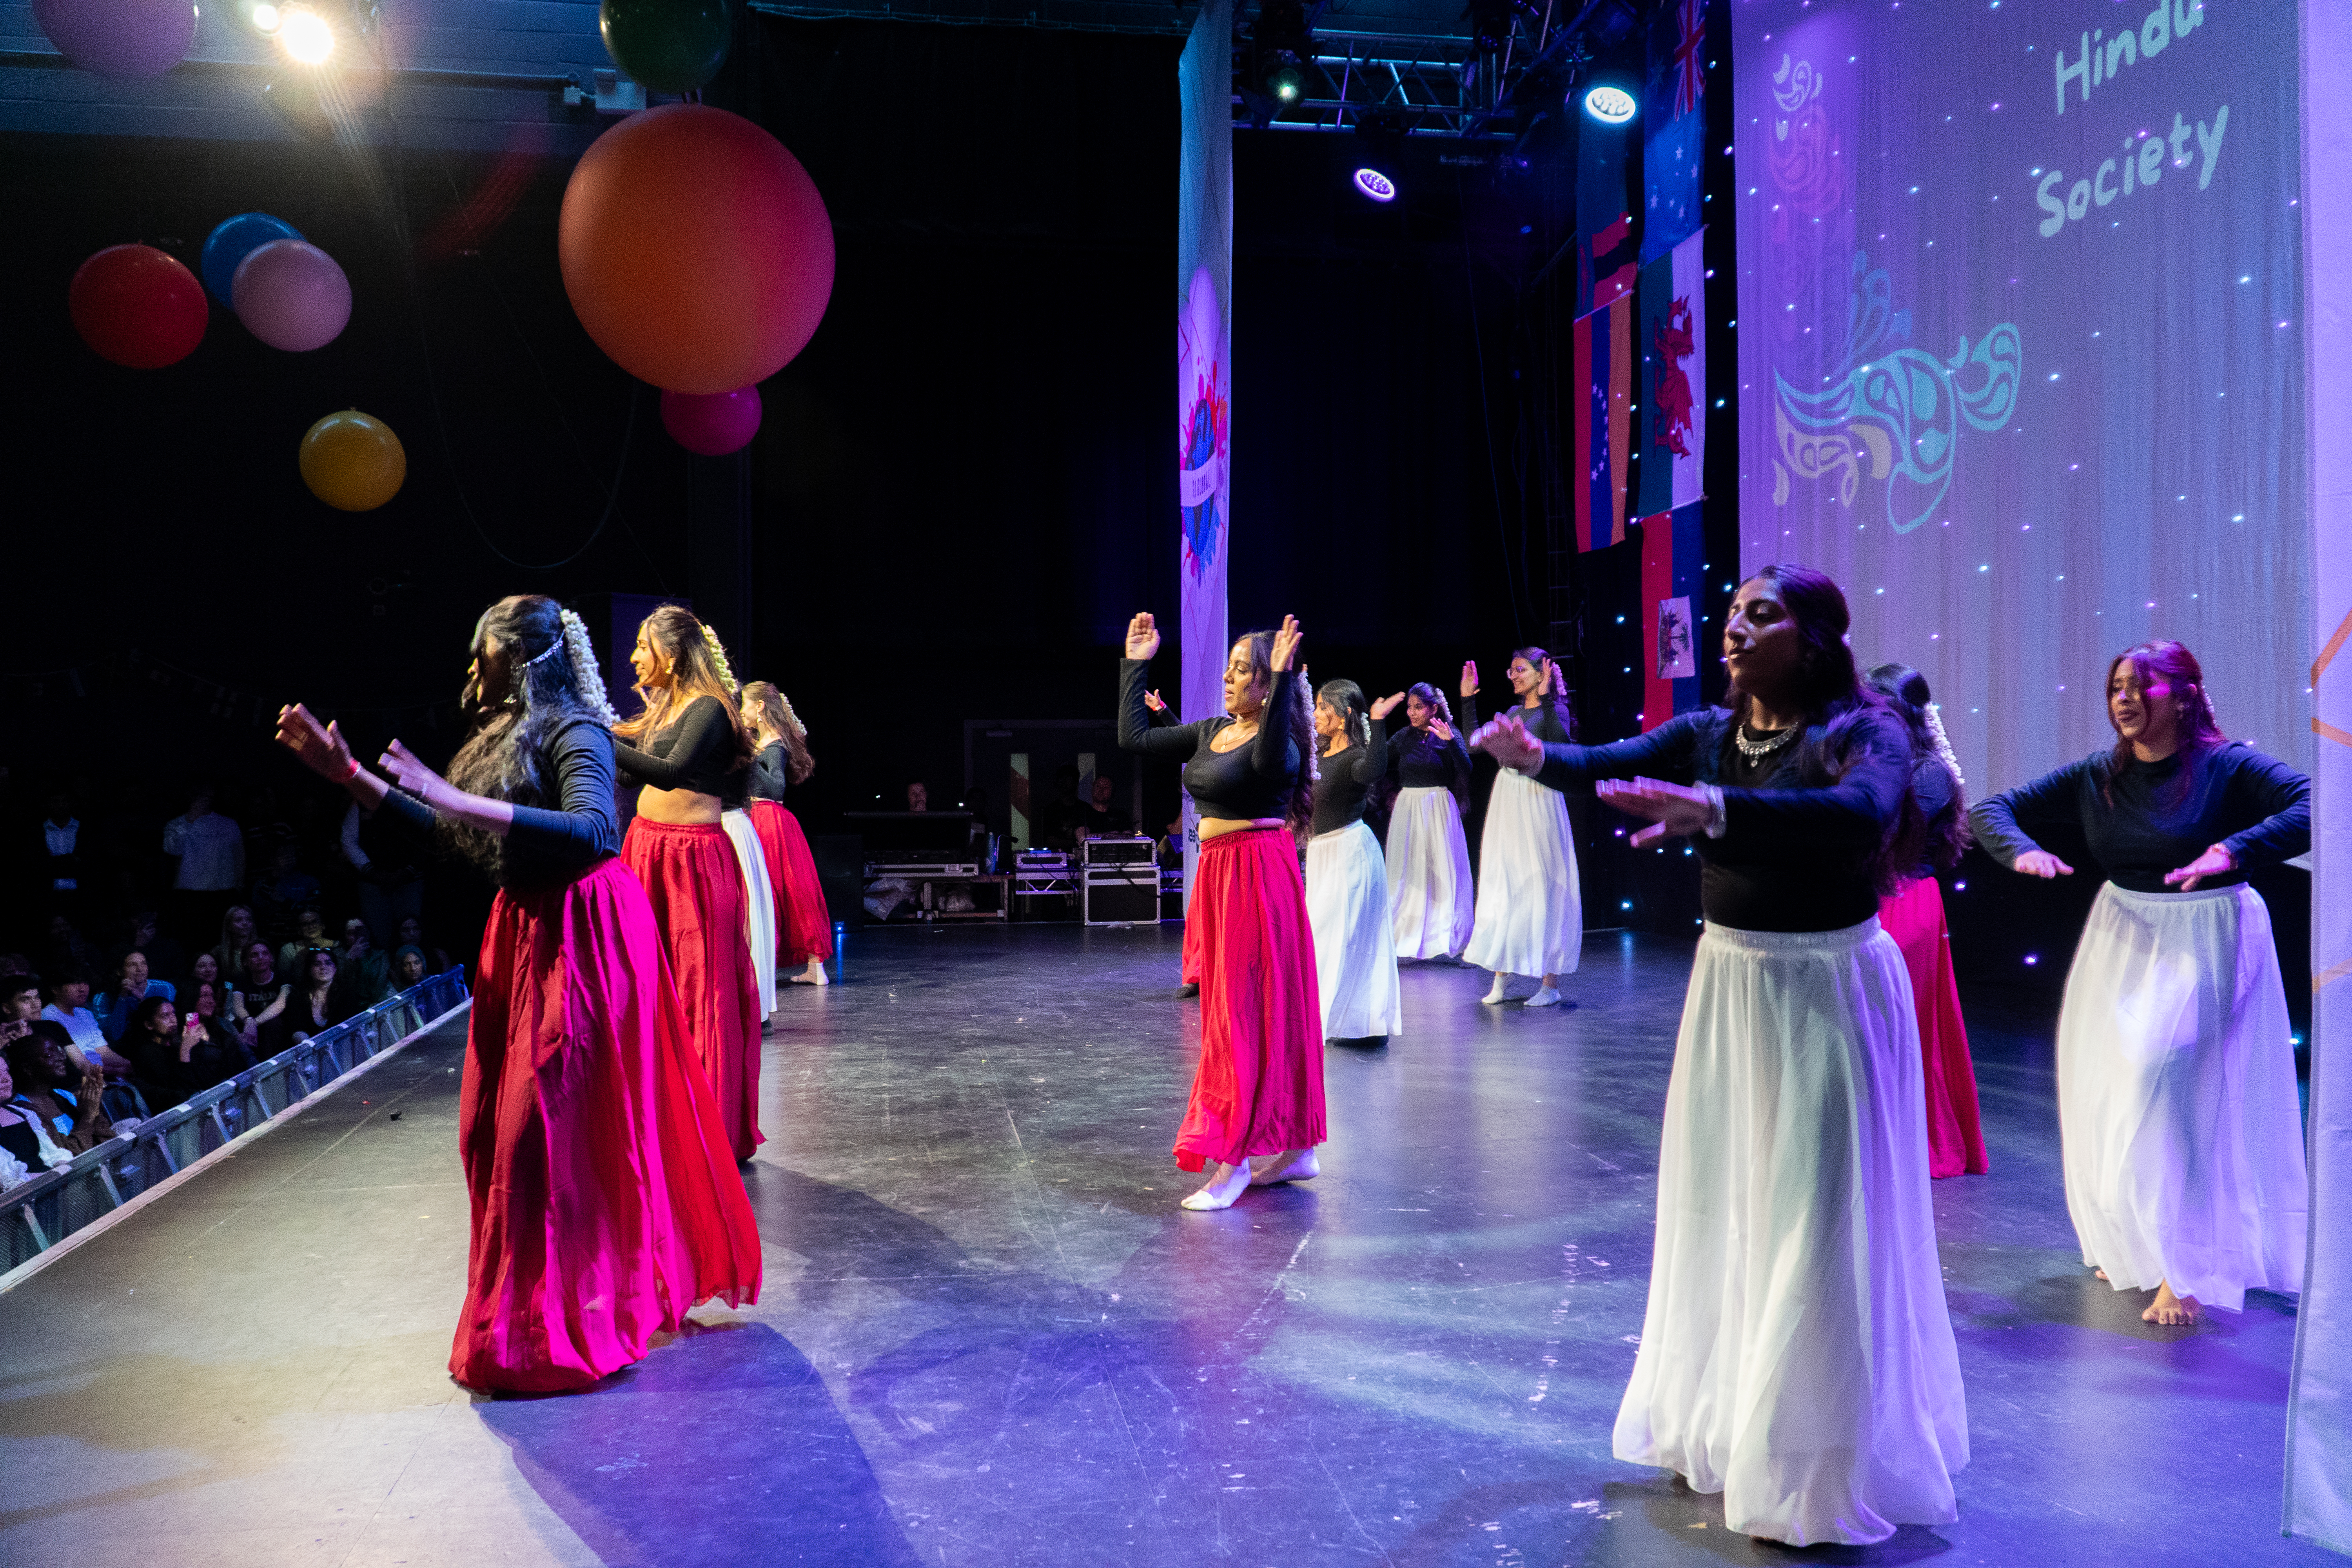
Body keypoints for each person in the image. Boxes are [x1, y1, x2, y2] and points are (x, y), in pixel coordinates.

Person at [1473, 564, 1964, 1547]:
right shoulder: (1708, 732)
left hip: (1826, 986)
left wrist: (1723, 813)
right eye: (1732, 611)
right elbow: (1603, 758)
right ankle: (1732, 1420)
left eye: (1761, 614)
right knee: (1730, 1203)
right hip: (1731, 988)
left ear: (1817, 638)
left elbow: (1866, 812)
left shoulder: (1862, 733)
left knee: (1813, 1219)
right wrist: (1533, 754)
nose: (1733, 627)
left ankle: (1813, 1459)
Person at [275, 592, 760, 1392]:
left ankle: (571, 1323)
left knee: (543, 1133)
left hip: (585, 936)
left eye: (486, 651)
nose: (474, 668)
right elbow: (459, 840)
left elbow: (597, 832)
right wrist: (353, 776)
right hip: (523, 933)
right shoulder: (505, 737)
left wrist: (459, 798)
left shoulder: (575, 730)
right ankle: (524, 1317)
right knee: (486, 1135)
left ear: (527, 655)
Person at [1969, 639, 2308, 1327]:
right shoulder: (2101, 774)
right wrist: (2023, 851)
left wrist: (2233, 848)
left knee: (2167, 1089)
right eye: (2116, 687)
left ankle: (2181, 1271)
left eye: (2141, 686)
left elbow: (2313, 803)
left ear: (2184, 695)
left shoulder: (2228, 766)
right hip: (2122, 934)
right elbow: (1990, 811)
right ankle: (2131, 1240)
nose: (2123, 698)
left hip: (2207, 932)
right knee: (2112, 1091)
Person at [1118, 611, 1323, 1210]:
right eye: (1230, 669)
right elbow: (1136, 740)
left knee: (1245, 1017)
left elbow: (1264, 767)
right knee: (1239, 1014)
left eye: (1243, 671)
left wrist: (1286, 679)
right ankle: (1297, 1148)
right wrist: (1136, 664)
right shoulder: (1212, 730)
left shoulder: (1279, 744)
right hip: (1219, 876)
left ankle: (1233, 1161)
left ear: (1268, 685)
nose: (1229, 679)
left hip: (1259, 877)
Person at [611, 605, 765, 1164]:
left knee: (702, 991)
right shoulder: (667, 707)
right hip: (646, 850)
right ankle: (656, 1121)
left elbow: (672, 771)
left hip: (692, 863)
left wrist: (598, 739)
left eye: (642, 646)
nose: (633, 658)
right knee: (650, 987)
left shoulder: (710, 709)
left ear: (671, 655)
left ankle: (706, 1132)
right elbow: (632, 774)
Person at [1864, 663, 1987, 1179]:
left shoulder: (1929, 772)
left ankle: (1911, 1140)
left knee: (1900, 1021)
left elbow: (1879, 831)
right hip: (1873, 897)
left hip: (1907, 899)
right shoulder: (1873, 758)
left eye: (1879, 703)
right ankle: (1874, 1135)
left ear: (1907, 711)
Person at [1461, 650, 1581, 1007]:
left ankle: (1550, 985)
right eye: (1511, 670)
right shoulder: (1514, 713)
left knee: (1542, 883)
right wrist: (1468, 699)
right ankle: (1501, 978)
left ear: (1542, 671)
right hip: (1508, 799)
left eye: (1521, 669)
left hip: (1540, 797)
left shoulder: (1554, 711)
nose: (1513, 675)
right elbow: (1475, 743)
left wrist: (1546, 698)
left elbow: (1563, 748)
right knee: (1505, 882)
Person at [1307, 681, 1404, 1044]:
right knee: (1323, 938)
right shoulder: (1319, 752)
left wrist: (1377, 722)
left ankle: (1339, 1022)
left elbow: (1376, 769)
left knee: (1340, 938)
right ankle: (1331, 1020)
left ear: (1344, 715)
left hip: (1349, 853)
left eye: (1322, 708)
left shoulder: (1356, 759)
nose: (1316, 715)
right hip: (1322, 855)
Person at [740, 680, 835, 986]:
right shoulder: (764, 742)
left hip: (769, 820)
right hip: (761, 818)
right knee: (778, 890)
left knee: (788, 891)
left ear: (760, 707)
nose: (742, 713)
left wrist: (750, 758)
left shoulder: (775, 744)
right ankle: (809, 967)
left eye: (745, 706)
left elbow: (777, 787)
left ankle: (813, 966)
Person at [1385, 680, 1475, 961]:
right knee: (1407, 871)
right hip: (1409, 806)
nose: (1412, 713)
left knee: (1444, 871)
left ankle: (1450, 940)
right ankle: (1404, 937)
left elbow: (1467, 769)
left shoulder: (1449, 734)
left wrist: (1451, 744)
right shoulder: (1403, 737)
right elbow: (1378, 762)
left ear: (1433, 708)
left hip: (1438, 807)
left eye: (1418, 707)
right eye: (1410, 707)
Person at [4, 1022, 112, 1153]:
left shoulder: (65, 1096)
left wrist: (94, 1110)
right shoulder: (23, 1112)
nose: (61, 1058)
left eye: (60, 1052)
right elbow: (68, 1156)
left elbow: (108, 1141)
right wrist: (88, 1117)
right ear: (28, 1068)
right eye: (50, 1055)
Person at [162, 782, 245, 950]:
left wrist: (240, 884)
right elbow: (171, 850)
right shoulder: (175, 825)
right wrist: (191, 821)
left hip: (223, 892)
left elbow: (239, 856)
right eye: (200, 797)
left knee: (221, 939)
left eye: (207, 797)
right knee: (190, 940)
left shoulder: (228, 824)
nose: (203, 802)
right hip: (189, 893)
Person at [342, 799, 425, 949]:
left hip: (409, 881)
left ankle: (414, 964)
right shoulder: (361, 802)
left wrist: (408, 871)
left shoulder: (414, 799)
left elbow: (428, 836)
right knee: (378, 936)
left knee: (411, 931)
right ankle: (383, 970)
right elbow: (348, 840)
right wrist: (373, 873)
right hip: (373, 884)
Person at [0, 1048, 73, 1191]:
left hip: (51, 1184)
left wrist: (63, 1167)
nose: (6, 1079)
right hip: (24, 1197)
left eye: (6, 1071)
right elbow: (9, 1178)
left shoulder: (24, 1114)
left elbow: (51, 1153)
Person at [40, 966, 129, 1078]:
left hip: (101, 1074)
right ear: (56, 989)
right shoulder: (48, 1017)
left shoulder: (85, 1013)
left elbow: (102, 1050)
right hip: (78, 1079)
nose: (83, 989)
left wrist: (127, 1064)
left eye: (85, 983)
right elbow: (75, 1063)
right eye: (75, 983)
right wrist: (115, 1071)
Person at [258, 946, 344, 1055]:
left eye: (328, 963)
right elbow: (297, 1029)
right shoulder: (298, 997)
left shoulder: (346, 994)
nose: (323, 967)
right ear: (309, 970)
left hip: (342, 1050)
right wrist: (309, 1048)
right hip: (307, 1054)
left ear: (335, 968)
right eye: (317, 964)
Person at [93, 950, 174, 1045]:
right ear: (119, 971)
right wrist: (122, 997)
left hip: (156, 1044)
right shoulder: (103, 998)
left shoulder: (164, 988)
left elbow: (168, 1028)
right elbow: (114, 1036)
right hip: (122, 1048)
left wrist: (142, 999)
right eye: (133, 965)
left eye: (144, 964)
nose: (140, 969)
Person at [211, 904, 260, 982]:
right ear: (229, 926)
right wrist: (232, 991)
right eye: (239, 920)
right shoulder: (219, 953)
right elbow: (223, 981)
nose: (245, 923)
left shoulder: (262, 950)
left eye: (249, 920)